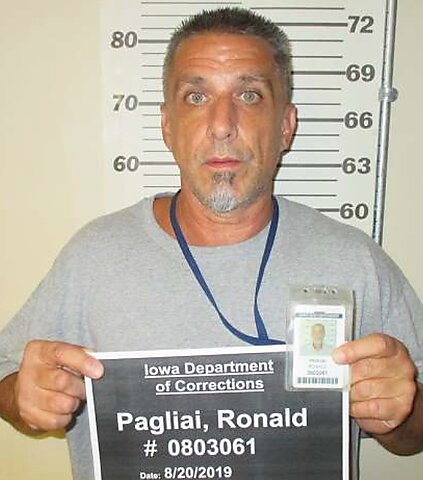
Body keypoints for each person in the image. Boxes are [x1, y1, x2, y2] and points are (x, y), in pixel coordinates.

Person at [0, 6, 422, 480]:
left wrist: (401, 413)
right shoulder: (92, 256)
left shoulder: (354, 260)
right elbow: (7, 377)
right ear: (167, 126)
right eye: (197, 96)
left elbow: (415, 433)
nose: (222, 124)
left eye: (249, 94)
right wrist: (23, 397)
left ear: (286, 126)